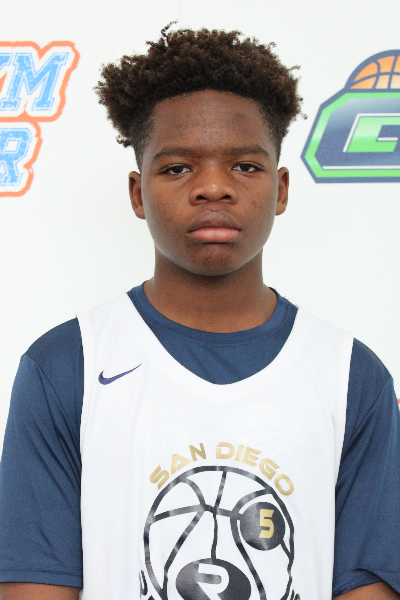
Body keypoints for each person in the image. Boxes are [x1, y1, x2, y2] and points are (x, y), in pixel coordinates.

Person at [0, 26, 399, 600]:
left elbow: (368, 586)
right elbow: (34, 584)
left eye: (245, 166)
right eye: (178, 168)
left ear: (281, 189)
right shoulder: (66, 365)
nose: (213, 188)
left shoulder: (350, 375)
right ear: (137, 194)